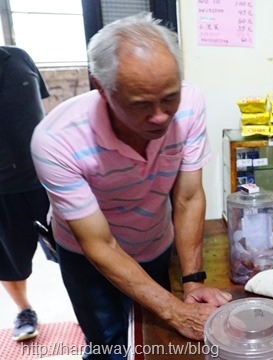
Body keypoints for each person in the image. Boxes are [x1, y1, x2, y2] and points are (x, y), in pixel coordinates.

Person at [30, 13, 231, 358]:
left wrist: (192, 280)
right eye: (140, 105)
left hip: (154, 240)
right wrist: (174, 310)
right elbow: (100, 242)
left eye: (169, 98)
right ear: (101, 88)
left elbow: (187, 196)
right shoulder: (55, 140)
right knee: (108, 345)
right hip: (88, 257)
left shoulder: (191, 104)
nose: (160, 117)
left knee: (155, 342)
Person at [0, 45, 50, 341]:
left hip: (47, 177)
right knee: (9, 258)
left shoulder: (18, 57)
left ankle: (90, 312)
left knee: (75, 252)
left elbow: (42, 107)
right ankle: (24, 310)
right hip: (2, 189)